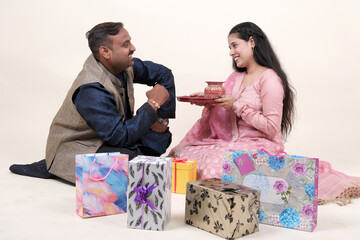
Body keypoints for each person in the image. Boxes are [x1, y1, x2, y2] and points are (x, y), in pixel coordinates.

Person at [169, 22, 360, 205]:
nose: (231, 52)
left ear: (252, 42)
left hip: (258, 146)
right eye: (229, 47)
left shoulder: (270, 79)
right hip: (225, 143)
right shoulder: (235, 77)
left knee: (217, 167)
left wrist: (238, 106)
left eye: (235, 45)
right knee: (180, 154)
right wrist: (207, 100)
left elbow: (271, 127)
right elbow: (224, 100)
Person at [9, 22, 176, 184]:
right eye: (126, 44)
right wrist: (153, 104)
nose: (133, 48)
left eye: (130, 41)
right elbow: (120, 137)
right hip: (78, 146)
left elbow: (164, 74)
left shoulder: (121, 65)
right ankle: (55, 166)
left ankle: (138, 157)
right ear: (105, 52)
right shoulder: (91, 88)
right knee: (132, 159)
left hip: (109, 137)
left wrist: (162, 119)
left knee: (158, 138)